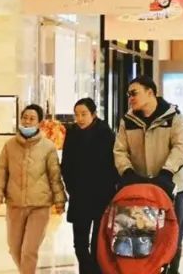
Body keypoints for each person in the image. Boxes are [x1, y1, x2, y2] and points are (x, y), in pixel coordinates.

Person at [114, 76, 183, 274]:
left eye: (134, 93)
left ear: (150, 92)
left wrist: (166, 173)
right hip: (137, 191)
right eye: (128, 94)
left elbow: (181, 148)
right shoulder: (128, 121)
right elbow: (119, 150)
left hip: (169, 189)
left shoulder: (174, 118)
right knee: (136, 240)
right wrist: (127, 172)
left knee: (171, 238)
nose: (130, 98)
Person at [0, 104, 67, 274]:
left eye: (32, 119)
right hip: (15, 204)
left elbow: (55, 177)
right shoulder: (9, 145)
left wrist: (59, 200)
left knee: (29, 250)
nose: (27, 121)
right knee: (14, 249)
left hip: (39, 206)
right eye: (25, 117)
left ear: (39, 123)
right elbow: (1, 172)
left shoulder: (48, 147)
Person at [61, 98, 118, 274]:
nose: (79, 118)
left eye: (83, 114)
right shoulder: (72, 133)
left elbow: (112, 165)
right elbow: (66, 164)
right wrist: (71, 187)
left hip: (101, 195)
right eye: (76, 115)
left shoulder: (105, 133)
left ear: (93, 114)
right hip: (79, 195)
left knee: (97, 243)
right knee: (79, 243)